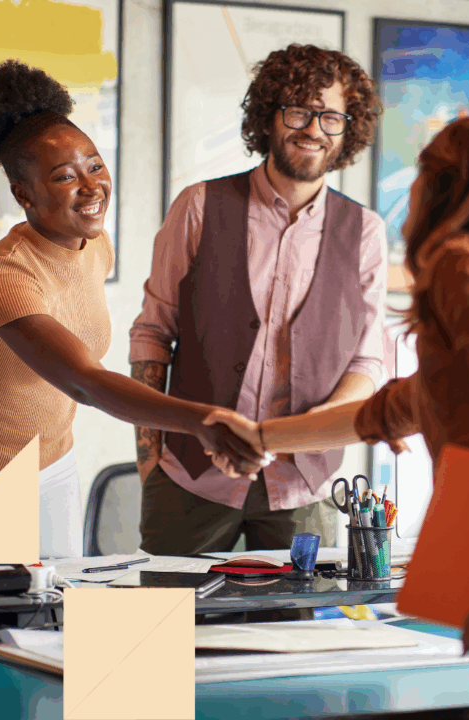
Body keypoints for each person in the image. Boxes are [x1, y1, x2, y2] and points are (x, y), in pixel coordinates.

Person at [206, 114, 469, 719]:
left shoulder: (462, 263)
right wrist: (262, 436)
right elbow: (393, 409)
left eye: (426, 168)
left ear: (448, 183)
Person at [0, 60, 265, 559]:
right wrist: (202, 420)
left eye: (95, 165)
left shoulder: (94, 246)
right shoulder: (4, 276)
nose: (92, 186)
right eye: (65, 177)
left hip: (52, 464)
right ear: (23, 194)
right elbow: (84, 380)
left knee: (52, 618)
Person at [130, 44, 387, 555]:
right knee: (163, 630)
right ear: (268, 116)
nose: (314, 128)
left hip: (303, 491)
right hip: (190, 479)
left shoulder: (366, 233)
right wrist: (148, 457)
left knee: (290, 633)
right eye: (298, 111)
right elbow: (153, 334)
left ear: (346, 128)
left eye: (330, 116)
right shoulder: (199, 207)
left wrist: (306, 435)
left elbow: (368, 360)